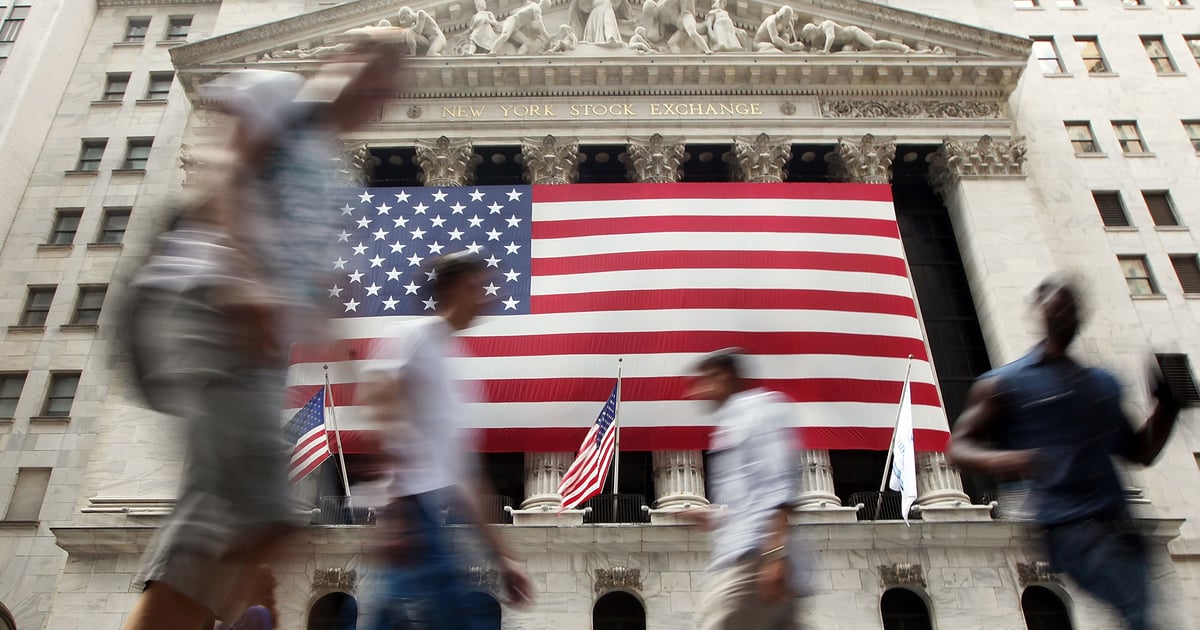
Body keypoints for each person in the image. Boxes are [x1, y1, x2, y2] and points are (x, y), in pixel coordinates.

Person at [120, 40, 408, 630]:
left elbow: (321, 298)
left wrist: (364, 396)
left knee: (253, 519)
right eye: (367, 73)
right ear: (337, 61)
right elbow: (224, 169)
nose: (369, 94)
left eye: (383, 89)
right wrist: (243, 278)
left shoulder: (333, 180)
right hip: (204, 304)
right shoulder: (278, 93)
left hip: (255, 350)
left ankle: (238, 594)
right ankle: (233, 591)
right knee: (242, 510)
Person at [947, 277, 1181, 630]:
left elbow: (1139, 452)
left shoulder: (1102, 384)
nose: (1063, 315)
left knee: (1142, 615)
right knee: (1140, 616)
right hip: (1071, 529)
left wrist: (1166, 409)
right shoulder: (1005, 384)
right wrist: (1016, 459)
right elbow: (958, 448)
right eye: (1056, 307)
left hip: (1121, 526)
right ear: (1040, 313)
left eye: (1069, 308)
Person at [359, 252, 533, 630]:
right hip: (411, 512)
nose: (488, 298)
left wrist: (502, 556)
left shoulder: (454, 368)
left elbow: (465, 479)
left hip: (430, 518)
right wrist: (394, 510)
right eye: (479, 287)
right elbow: (378, 402)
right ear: (456, 288)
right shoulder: (412, 336)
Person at [683, 348, 807, 630]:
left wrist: (774, 555)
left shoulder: (761, 411)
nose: (697, 391)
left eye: (704, 381)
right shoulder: (730, 423)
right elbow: (749, 499)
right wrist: (715, 516)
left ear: (725, 376)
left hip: (753, 559)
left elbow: (778, 486)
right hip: (751, 555)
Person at [799, 19, 911, 54]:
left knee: (873, 44)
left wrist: (825, 50)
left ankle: (901, 47)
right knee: (846, 53)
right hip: (848, 43)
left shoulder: (826, 25)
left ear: (811, 31)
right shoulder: (818, 39)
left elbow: (831, 37)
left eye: (808, 37)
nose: (809, 40)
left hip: (854, 34)